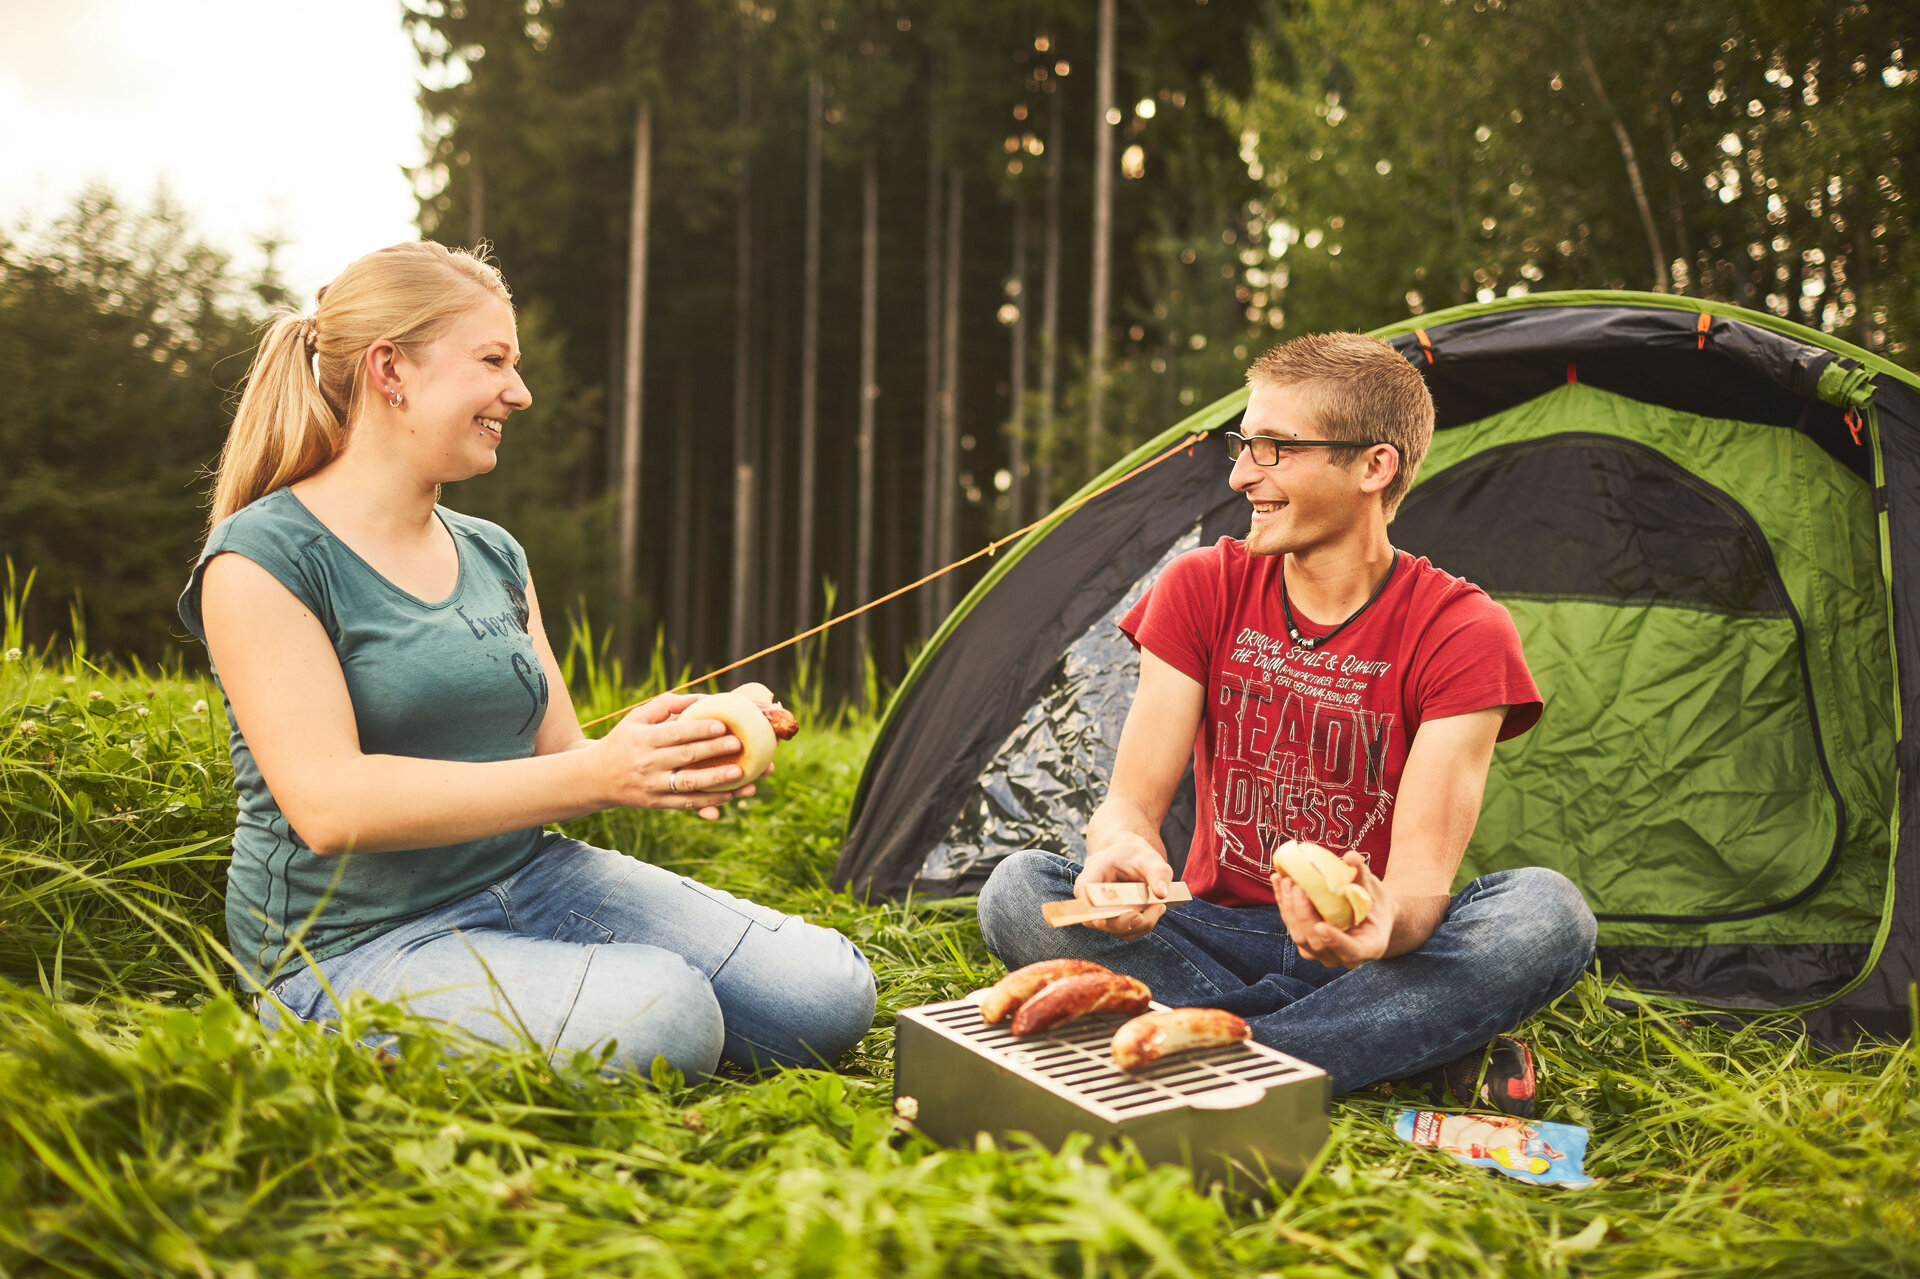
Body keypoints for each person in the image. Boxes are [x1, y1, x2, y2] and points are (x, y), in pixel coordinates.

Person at [178, 241, 874, 1082]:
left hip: (528, 876)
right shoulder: (261, 558)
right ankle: (327, 1023)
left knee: (825, 995)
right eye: (493, 360)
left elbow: (562, 756)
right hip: (347, 944)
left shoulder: (493, 552)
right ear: (390, 370)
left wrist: (671, 744)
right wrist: (597, 776)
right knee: (668, 1018)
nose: (520, 391)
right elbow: (327, 804)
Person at [977, 332, 1596, 1110]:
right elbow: (1130, 803)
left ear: (1374, 466)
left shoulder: (1463, 630)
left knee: (1546, 913)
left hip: (1374, 953)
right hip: (1210, 930)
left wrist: (1380, 928)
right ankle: (1381, 1041)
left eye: (1274, 448)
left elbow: (1417, 887)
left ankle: (1216, 1047)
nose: (1241, 474)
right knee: (1018, 890)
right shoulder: (1201, 586)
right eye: (1243, 445)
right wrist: (1122, 848)